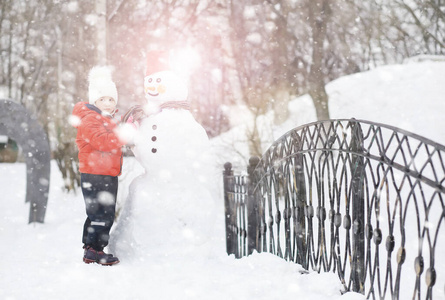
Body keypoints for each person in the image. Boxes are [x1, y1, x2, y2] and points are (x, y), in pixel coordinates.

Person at [71, 66, 125, 266]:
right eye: (103, 99)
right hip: (97, 173)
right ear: (94, 101)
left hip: (102, 172)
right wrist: (123, 135)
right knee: (103, 214)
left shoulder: (104, 119)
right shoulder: (91, 119)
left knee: (96, 213)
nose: (108, 103)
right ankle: (98, 250)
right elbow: (103, 142)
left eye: (111, 99)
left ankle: (90, 249)